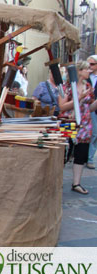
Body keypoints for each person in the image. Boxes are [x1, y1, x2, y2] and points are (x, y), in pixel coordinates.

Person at [58, 61, 97, 194]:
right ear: (79, 71)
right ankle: (57, 181)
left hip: (84, 125)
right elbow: (62, 107)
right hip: (69, 122)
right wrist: (79, 97)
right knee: (64, 154)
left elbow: (90, 107)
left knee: (81, 154)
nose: (89, 71)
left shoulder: (88, 87)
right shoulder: (66, 87)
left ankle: (76, 183)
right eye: (87, 69)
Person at [86, 55, 97, 168]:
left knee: (95, 134)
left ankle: (90, 157)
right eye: (88, 64)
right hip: (87, 107)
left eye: (92, 64)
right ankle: (86, 157)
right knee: (91, 133)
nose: (89, 66)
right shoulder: (85, 76)